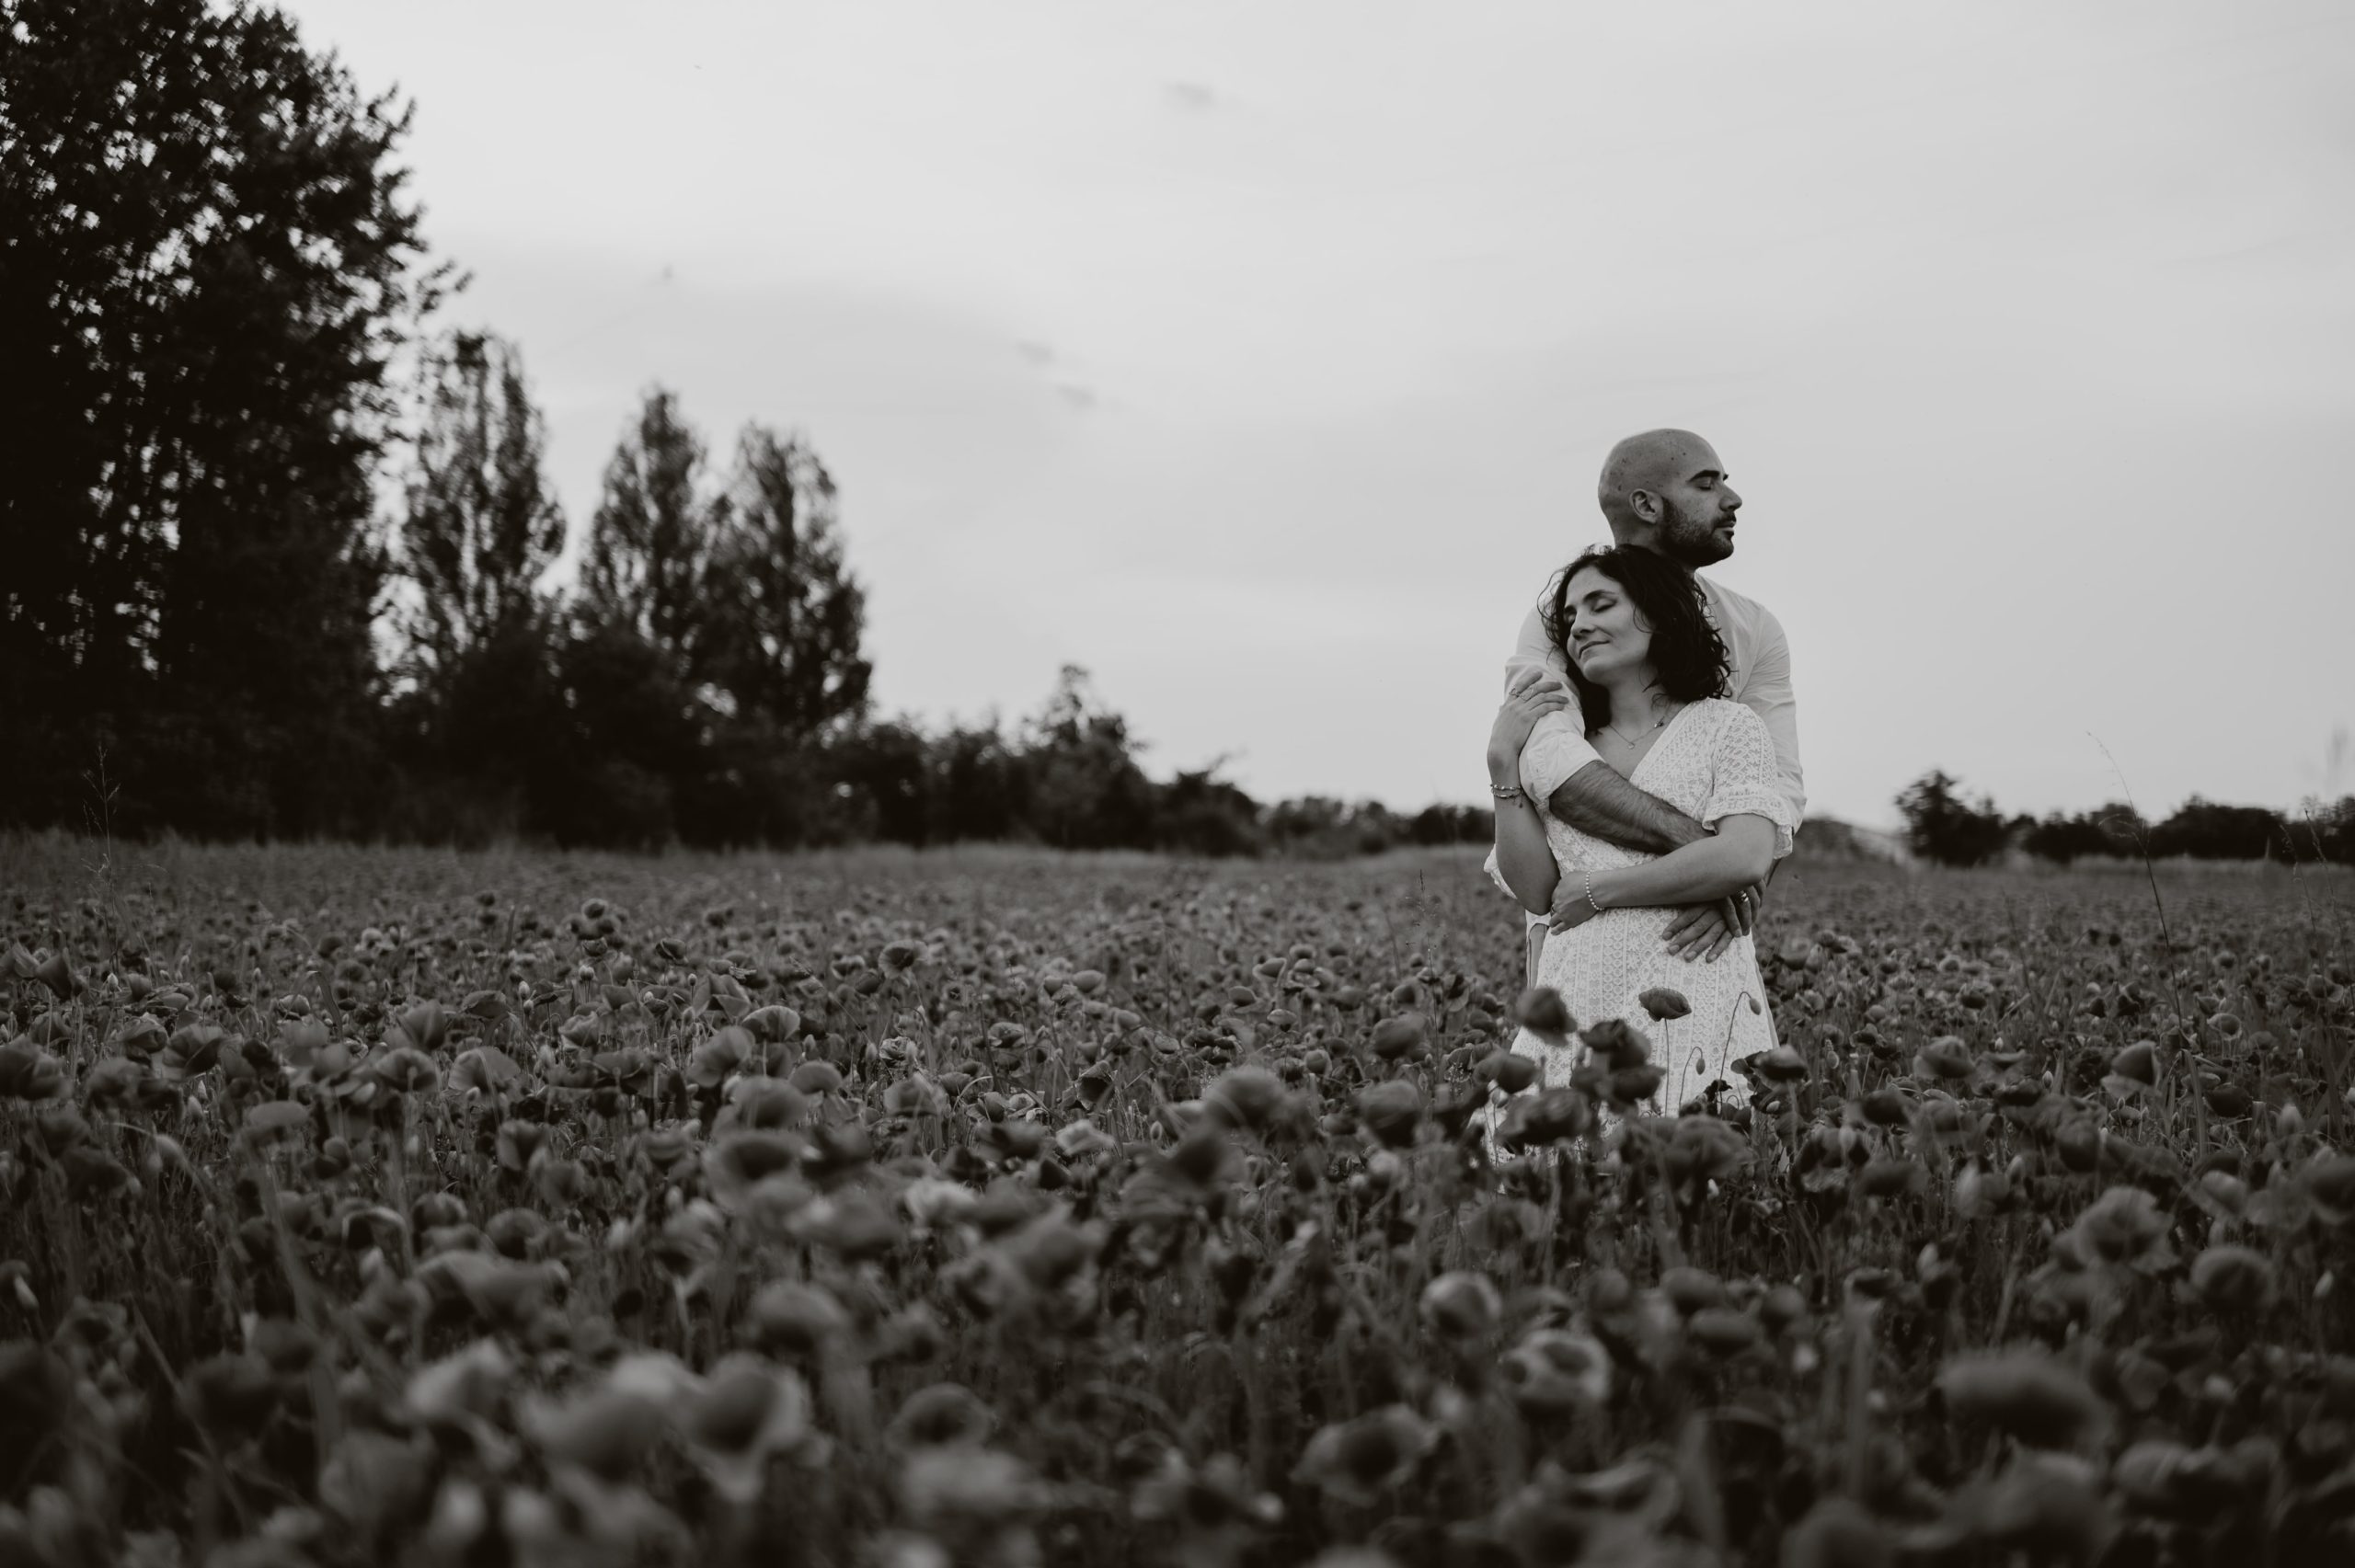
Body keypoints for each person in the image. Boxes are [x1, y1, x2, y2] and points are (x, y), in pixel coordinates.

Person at [1488, 429, 1805, 989]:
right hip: (1578, 941)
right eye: (1707, 485)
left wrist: (1733, 875)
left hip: (1698, 941)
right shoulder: (1560, 620)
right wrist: (1719, 863)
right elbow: (1550, 764)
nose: (1732, 500)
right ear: (1647, 505)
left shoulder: (1755, 629)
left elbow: (1778, 788)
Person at [1486, 544, 1798, 1115]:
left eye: (1600, 605)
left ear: (1655, 614)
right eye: (1571, 617)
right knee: (1562, 1181)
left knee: (1692, 1170)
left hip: (1695, 988)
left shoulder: (1727, 726)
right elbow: (1535, 889)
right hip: (1577, 996)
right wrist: (1502, 763)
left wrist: (1598, 890)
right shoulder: (1563, 747)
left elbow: (1746, 856)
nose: (1579, 626)